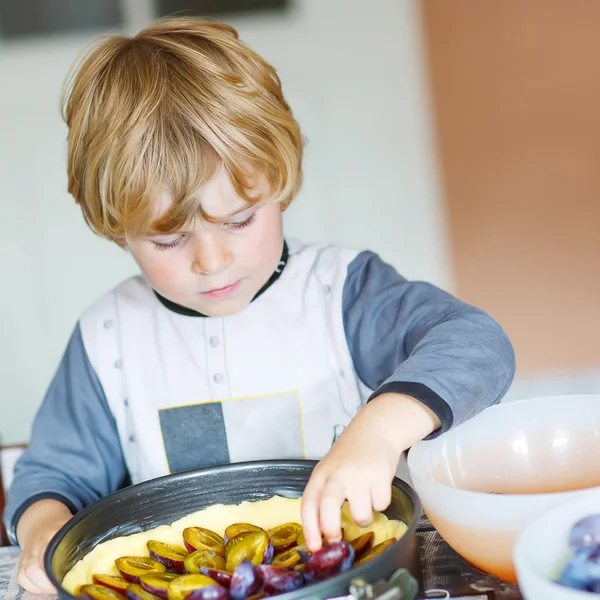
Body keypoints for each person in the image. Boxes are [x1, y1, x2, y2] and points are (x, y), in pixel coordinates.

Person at [2, 17, 515, 594]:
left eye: (240, 220)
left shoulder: (340, 290)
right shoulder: (106, 338)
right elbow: (51, 474)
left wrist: (378, 430)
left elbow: (476, 343)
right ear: (117, 229)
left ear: (280, 181)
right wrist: (44, 528)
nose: (212, 259)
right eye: (168, 240)